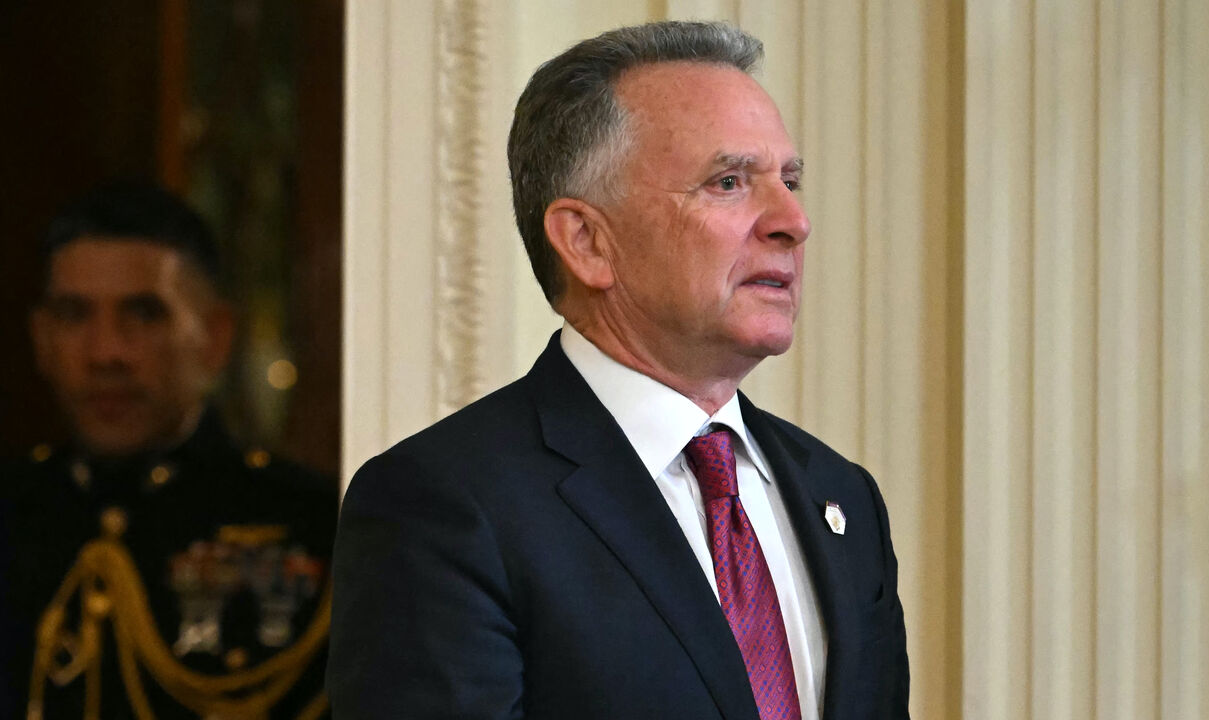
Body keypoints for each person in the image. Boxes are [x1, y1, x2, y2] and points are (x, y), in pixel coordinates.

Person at [328, 20, 909, 720]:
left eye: (790, 181)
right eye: (729, 182)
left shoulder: (842, 497)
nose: (793, 221)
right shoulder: (446, 507)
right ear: (587, 241)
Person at [1, 183, 337, 719]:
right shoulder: (14, 513)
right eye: (73, 315)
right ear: (40, 339)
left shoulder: (316, 526)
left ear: (215, 336)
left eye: (143, 314)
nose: (105, 352)